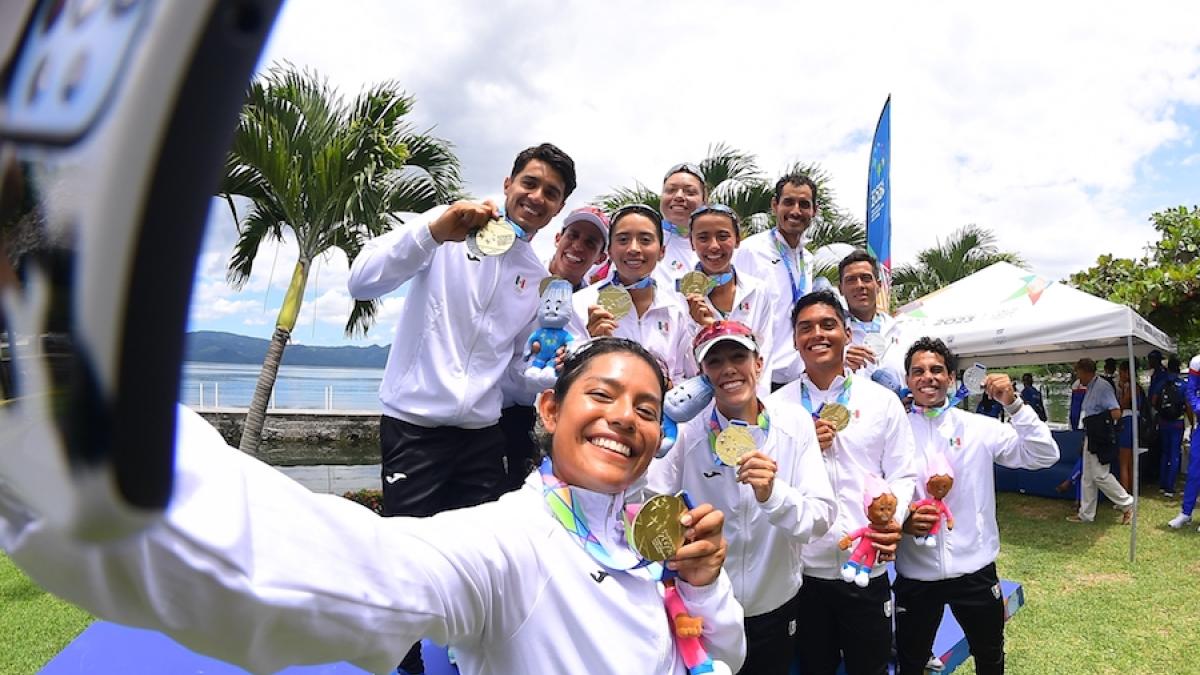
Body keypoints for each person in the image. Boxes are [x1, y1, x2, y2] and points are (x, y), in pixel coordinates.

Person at [0, 339, 747, 674]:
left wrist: (707, 581)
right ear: (549, 410)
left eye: (649, 408)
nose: (627, 418)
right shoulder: (507, 542)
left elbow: (722, 655)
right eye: (605, 395)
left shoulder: (654, 533)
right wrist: (67, 438)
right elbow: (354, 572)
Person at [347, 143, 575, 673]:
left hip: (481, 431)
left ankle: (471, 656)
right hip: (415, 425)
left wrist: (557, 371)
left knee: (479, 558)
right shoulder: (447, 231)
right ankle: (403, 661)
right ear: (508, 183)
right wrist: (432, 229)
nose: (537, 197)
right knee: (406, 554)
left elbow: (516, 375)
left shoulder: (533, 276)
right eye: (531, 184)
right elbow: (362, 280)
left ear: (558, 208)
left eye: (551, 193)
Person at [648, 320, 836, 675]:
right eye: (715, 362)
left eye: (739, 356)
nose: (729, 369)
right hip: (706, 608)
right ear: (702, 375)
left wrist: (772, 494)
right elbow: (651, 504)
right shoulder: (686, 434)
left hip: (775, 605)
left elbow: (820, 518)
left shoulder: (794, 423)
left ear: (759, 364)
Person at [771, 290, 918, 675]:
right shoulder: (776, 408)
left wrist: (892, 521)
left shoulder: (881, 402)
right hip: (801, 574)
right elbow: (767, 485)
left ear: (847, 333)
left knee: (869, 668)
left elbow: (903, 473)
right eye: (805, 328)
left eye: (828, 325)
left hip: (866, 567)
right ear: (794, 340)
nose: (817, 334)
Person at [896, 338, 1058, 675]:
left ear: (951, 378)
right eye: (918, 371)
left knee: (990, 657)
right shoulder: (893, 431)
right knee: (911, 663)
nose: (928, 377)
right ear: (908, 379)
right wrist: (904, 519)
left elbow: (1045, 455)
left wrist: (1014, 405)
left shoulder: (978, 428)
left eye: (937, 370)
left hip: (975, 571)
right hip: (915, 573)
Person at [498, 205, 610, 491]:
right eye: (573, 235)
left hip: (557, 421)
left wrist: (590, 342)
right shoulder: (522, 278)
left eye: (591, 242)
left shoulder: (595, 303)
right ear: (558, 237)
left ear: (601, 257)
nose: (578, 246)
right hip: (497, 408)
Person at [570, 204, 696, 382]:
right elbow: (565, 375)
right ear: (610, 251)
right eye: (623, 240)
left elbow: (682, 376)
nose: (634, 249)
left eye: (645, 240)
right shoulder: (579, 304)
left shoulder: (676, 309)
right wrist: (592, 346)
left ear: (661, 252)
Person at [680, 204, 776, 394]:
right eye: (703, 238)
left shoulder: (758, 291)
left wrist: (759, 406)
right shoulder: (677, 296)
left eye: (723, 236)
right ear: (691, 243)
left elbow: (765, 353)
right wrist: (700, 327)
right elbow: (684, 364)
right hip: (702, 405)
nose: (714, 246)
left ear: (738, 240)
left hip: (749, 401)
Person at [734, 173, 818, 390]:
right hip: (759, 376)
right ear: (775, 205)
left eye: (804, 204)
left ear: (814, 211)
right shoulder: (750, 250)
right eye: (788, 202)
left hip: (798, 377)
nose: (796, 211)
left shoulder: (807, 259)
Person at [1068, 358, 1135, 524]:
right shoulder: (1090, 387)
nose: (1078, 377)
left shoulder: (1102, 387)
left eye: (1078, 372)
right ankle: (1086, 514)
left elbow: (1116, 412)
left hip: (1101, 436)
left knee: (1100, 475)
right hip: (1091, 434)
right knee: (1088, 476)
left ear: (1085, 371)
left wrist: (1097, 423)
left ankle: (1126, 503)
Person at [836, 249, 907, 393]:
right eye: (851, 280)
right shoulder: (830, 336)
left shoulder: (902, 331)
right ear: (840, 289)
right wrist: (838, 364)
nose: (859, 285)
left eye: (866, 278)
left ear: (879, 285)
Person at [652, 162, 708, 289]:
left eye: (690, 192)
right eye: (671, 190)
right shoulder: (638, 240)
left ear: (704, 200)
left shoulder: (717, 248)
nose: (679, 196)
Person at [1167, 354, 1200, 530]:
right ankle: (1186, 513)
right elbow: (1190, 390)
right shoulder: (1197, 362)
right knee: (1194, 471)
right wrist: (1197, 407)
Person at [1155, 355, 1188, 497]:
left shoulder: (1161, 383)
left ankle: (1162, 484)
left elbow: (1154, 400)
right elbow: (1188, 405)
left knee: (1165, 453)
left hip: (1163, 422)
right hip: (1177, 423)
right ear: (1179, 368)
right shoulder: (1183, 385)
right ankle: (1170, 487)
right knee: (1175, 454)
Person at [1116, 361, 1147, 493]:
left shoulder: (1131, 387)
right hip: (1135, 421)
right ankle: (1132, 490)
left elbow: (1122, 404)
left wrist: (1121, 391)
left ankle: (1124, 493)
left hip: (1127, 422)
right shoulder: (1137, 387)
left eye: (1121, 372)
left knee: (1123, 461)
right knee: (1130, 461)